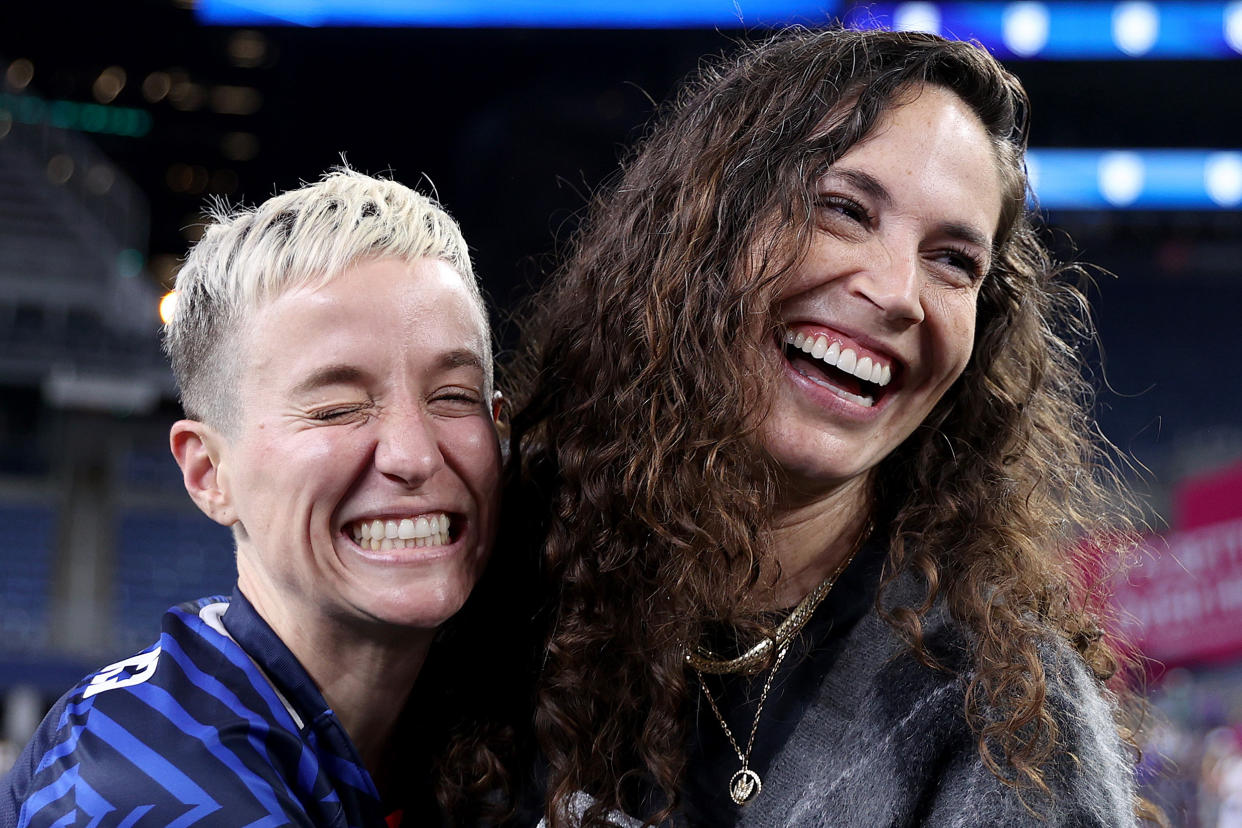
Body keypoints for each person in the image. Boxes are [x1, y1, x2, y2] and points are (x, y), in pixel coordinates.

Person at [505, 28, 1162, 827]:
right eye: (845, 210)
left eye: (954, 261)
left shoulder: (1006, 725)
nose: (896, 293)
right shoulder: (506, 583)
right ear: (705, 229)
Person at [2, 169, 504, 827]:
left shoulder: (505, 733)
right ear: (210, 471)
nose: (414, 455)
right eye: (337, 408)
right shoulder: (141, 780)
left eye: (454, 398)